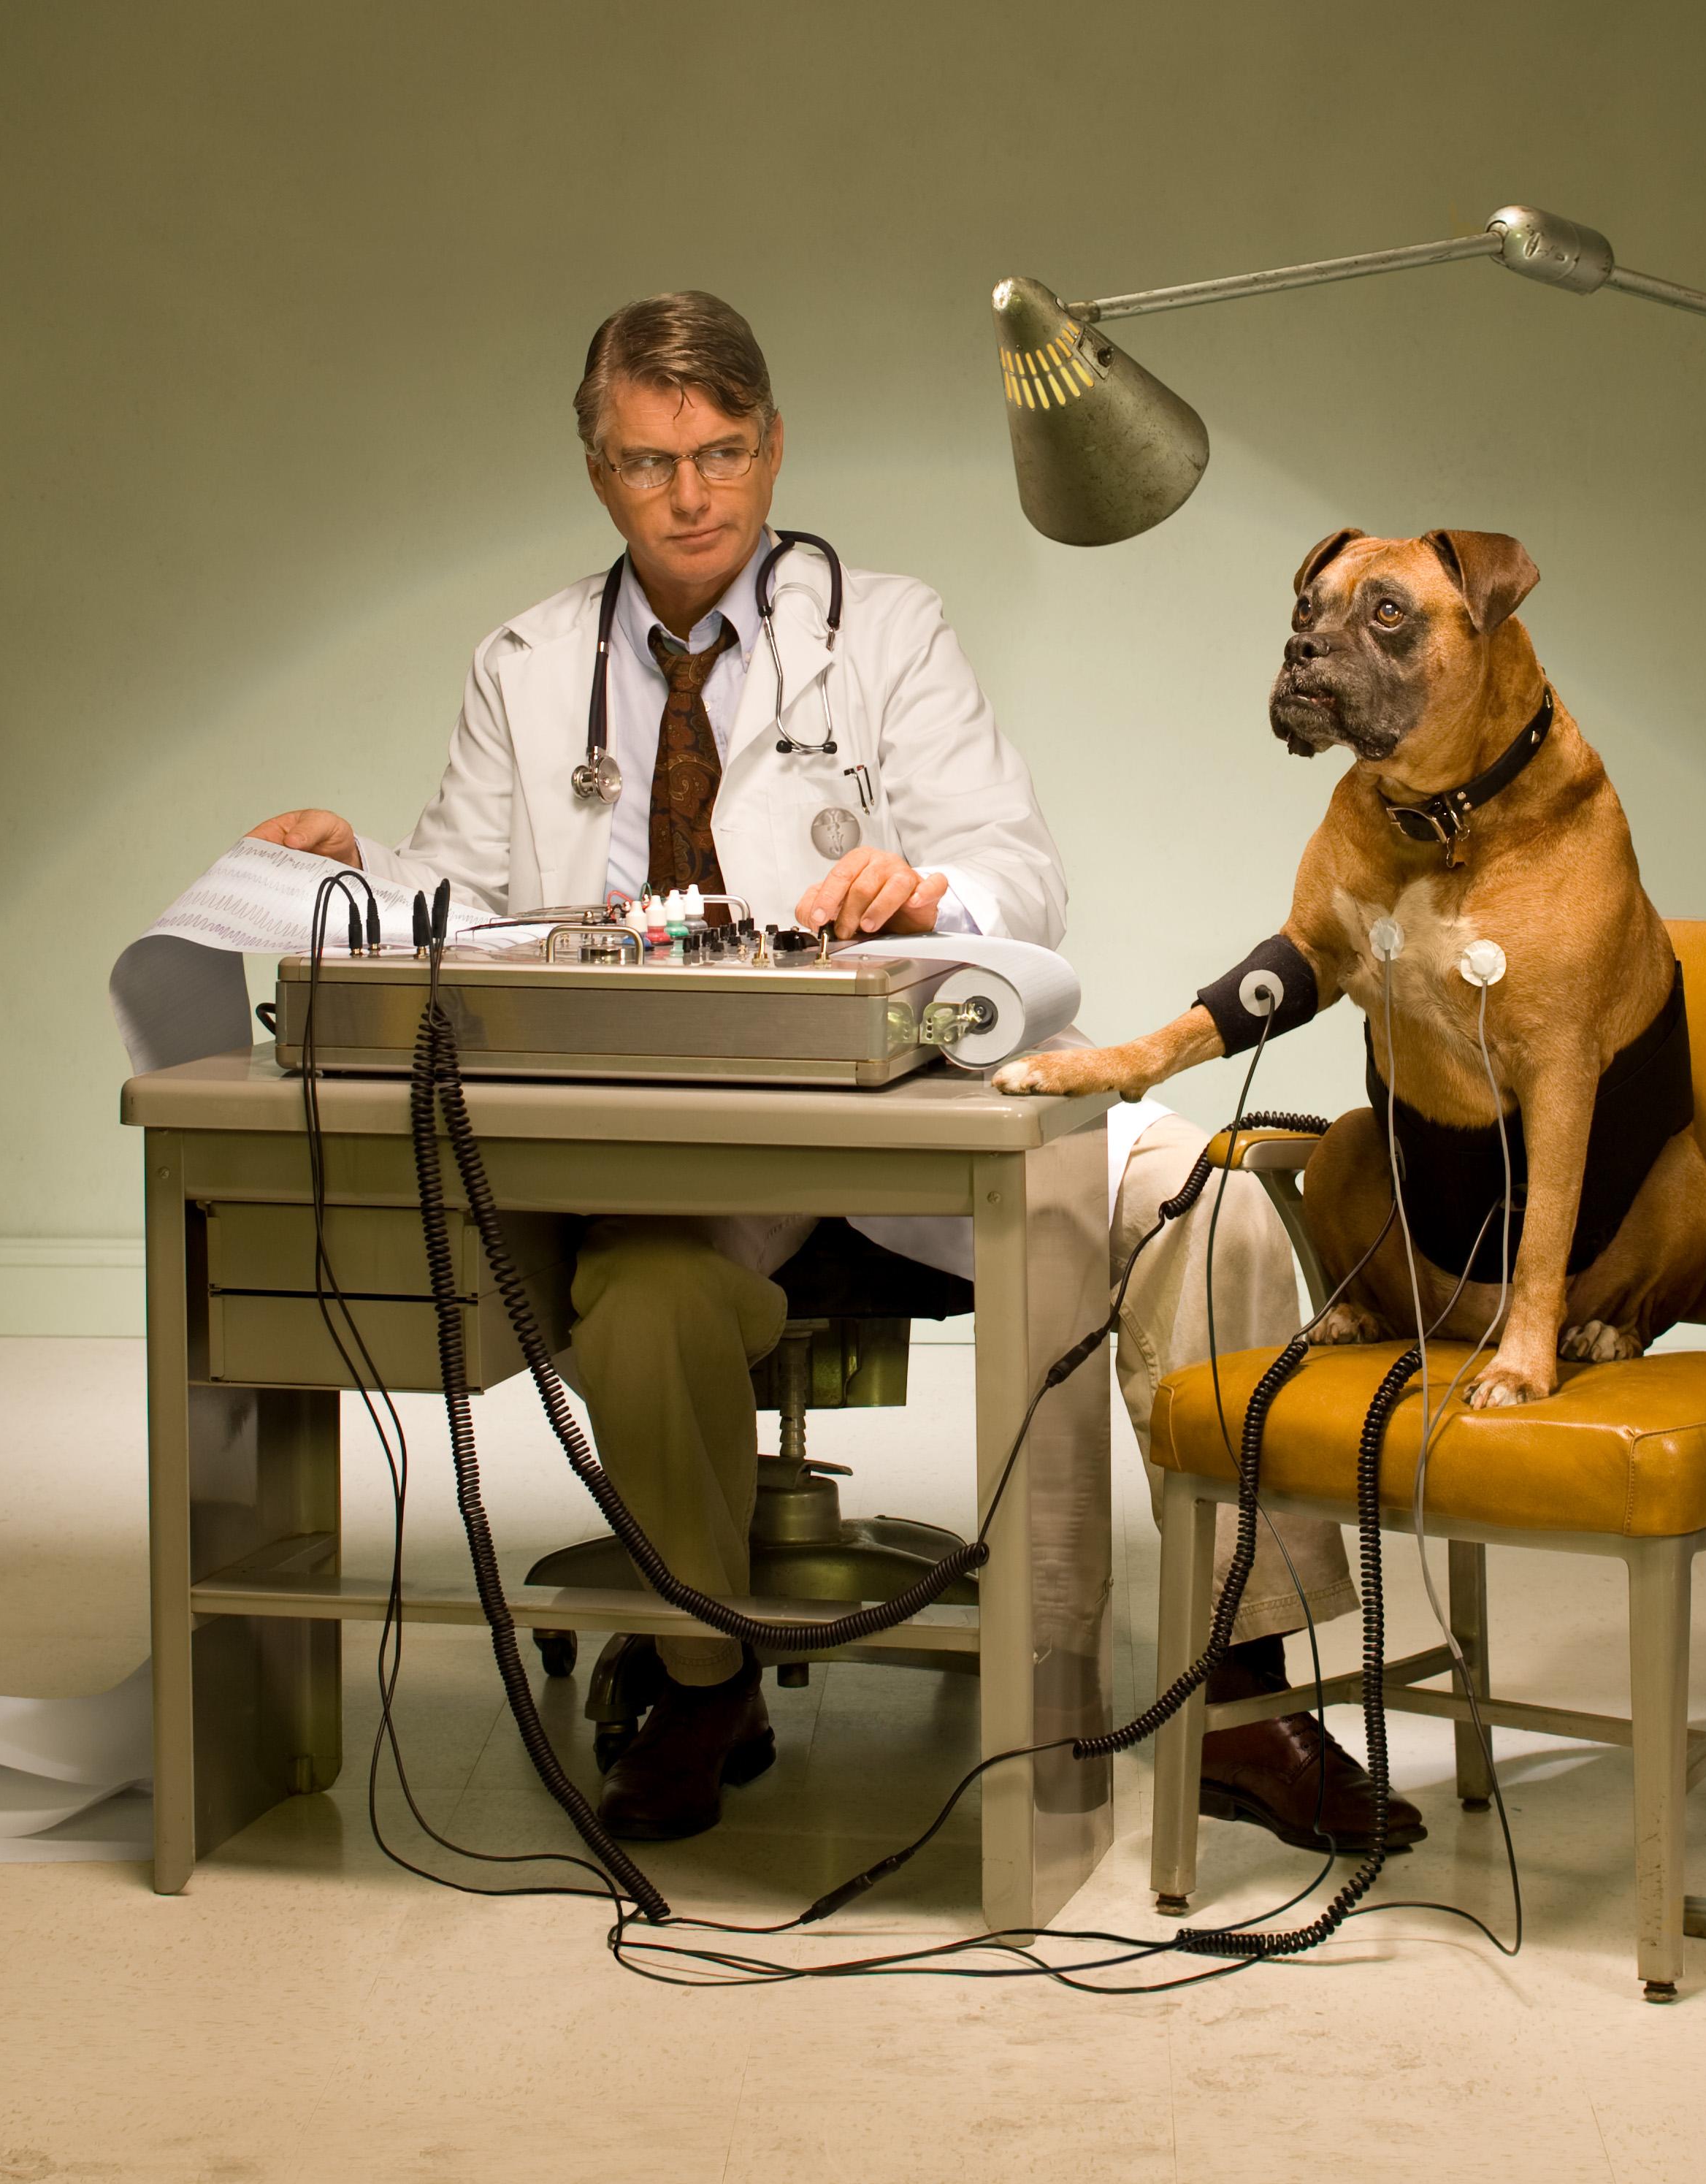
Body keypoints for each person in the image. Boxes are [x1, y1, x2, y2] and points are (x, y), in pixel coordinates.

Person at [249, 291, 1419, 1854]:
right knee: (650, 1310)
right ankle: (698, 1670)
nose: (693, 495)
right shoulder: (525, 667)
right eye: (653, 461)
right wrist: (355, 867)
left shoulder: (885, 628)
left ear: (772, 447)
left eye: (724, 453)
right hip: (671, 1149)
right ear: (599, 467)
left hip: (904, 1107)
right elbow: (466, 900)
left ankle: (1249, 1692)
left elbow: (1019, 870)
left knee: (1201, 1210)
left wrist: (930, 892)